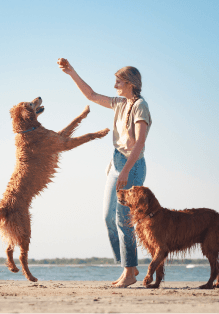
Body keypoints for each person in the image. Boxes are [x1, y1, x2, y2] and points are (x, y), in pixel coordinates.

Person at [57, 58, 152, 288]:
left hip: (133, 165)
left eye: (118, 81)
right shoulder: (120, 103)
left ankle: (129, 272)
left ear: (129, 82)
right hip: (116, 162)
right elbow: (90, 95)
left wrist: (126, 171)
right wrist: (71, 72)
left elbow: (139, 143)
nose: (115, 85)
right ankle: (128, 266)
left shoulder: (141, 106)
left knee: (123, 219)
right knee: (108, 217)